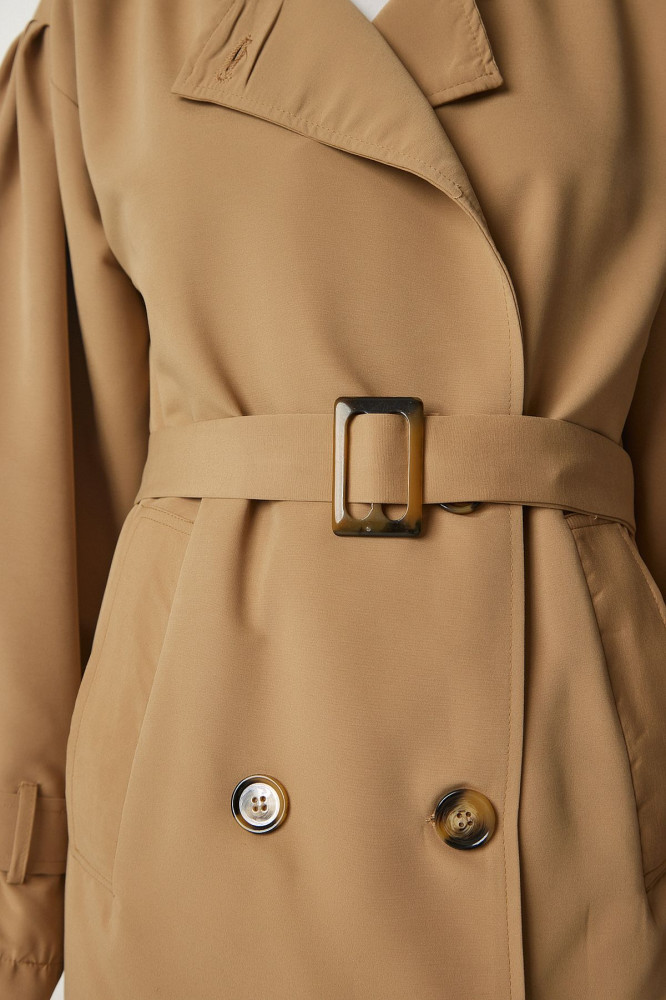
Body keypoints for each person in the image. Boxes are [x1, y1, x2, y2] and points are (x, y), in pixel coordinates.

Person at [1, 0, 665, 997]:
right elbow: (39, 495)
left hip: (561, 799)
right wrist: (19, 905)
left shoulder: (637, 30)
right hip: (196, 767)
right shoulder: (110, 32)